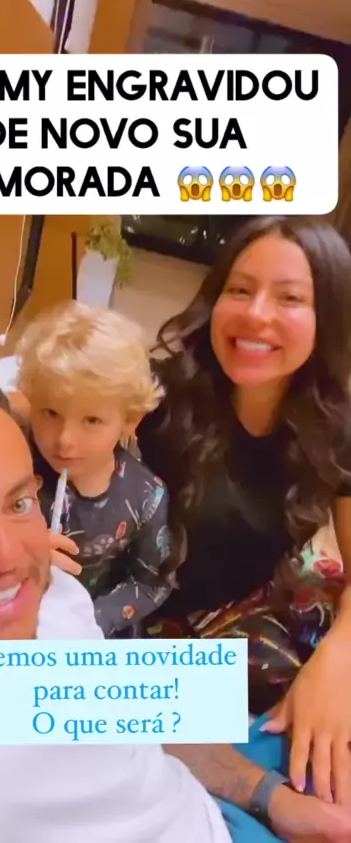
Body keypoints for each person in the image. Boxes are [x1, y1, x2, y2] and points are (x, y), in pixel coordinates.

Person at [0, 379, 350, 842]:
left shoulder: (48, 594)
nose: (6, 557)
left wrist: (271, 797)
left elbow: (126, 715)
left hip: (221, 802)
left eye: (18, 503)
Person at [135, 215, 351, 805]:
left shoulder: (334, 426)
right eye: (239, 289)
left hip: (243, 635)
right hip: (126, 642)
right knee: (17, 695)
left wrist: (338, 657)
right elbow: (28, 401)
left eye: (290, 298)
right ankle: (274, 801)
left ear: (327, 317)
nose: (256, 314)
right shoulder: (151, 394)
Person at [13, 300, 174, 638]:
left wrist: (88, 623)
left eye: (92, 420)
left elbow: (151, 583)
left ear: (130, 420)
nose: (64, 440)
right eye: (51, 413)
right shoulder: (8, 464)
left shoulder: (146, 498)